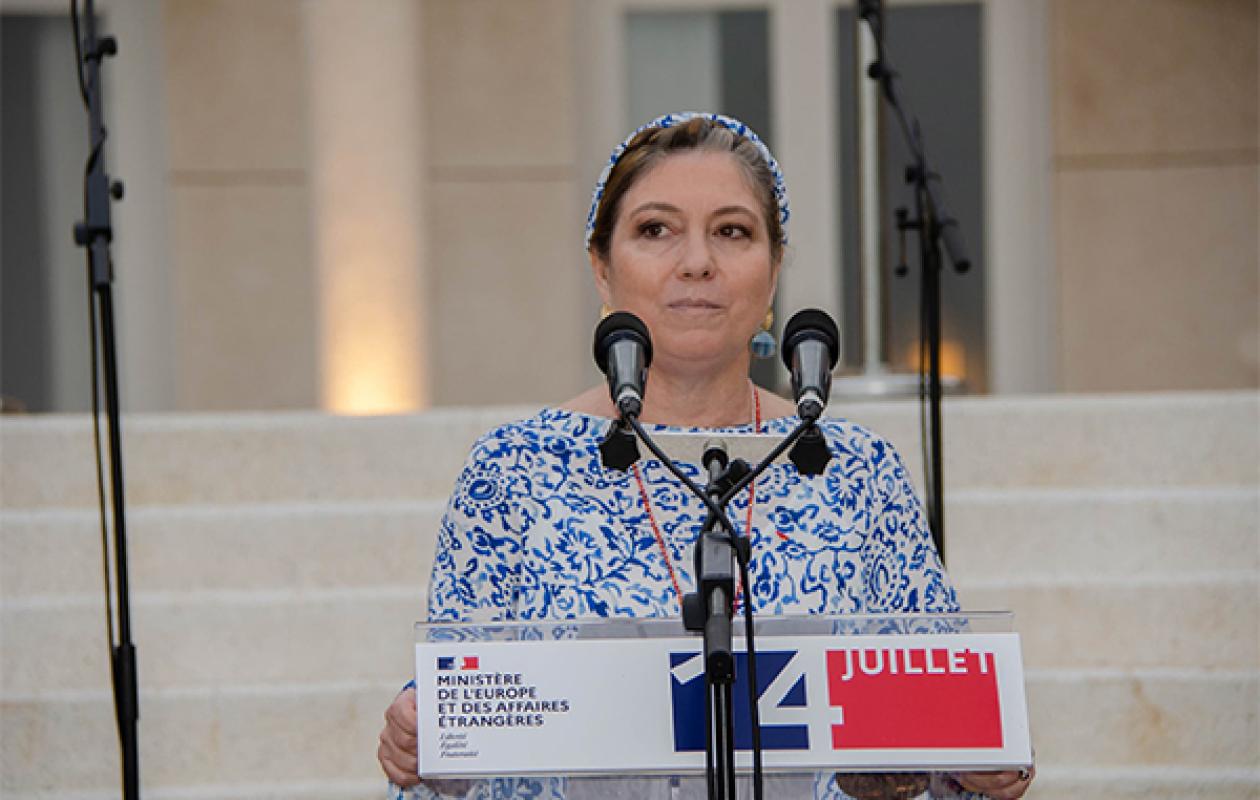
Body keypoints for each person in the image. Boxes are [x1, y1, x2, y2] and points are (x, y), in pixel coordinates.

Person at [377, 113, 1035, 800]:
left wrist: (966, 765)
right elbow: (452, 753)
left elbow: (955, 743)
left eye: (732, 231)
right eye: (656, 230)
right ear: (602, 270)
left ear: (774, 272)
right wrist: (424, 748)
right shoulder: (514, 471)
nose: (697, 261)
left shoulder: (854, 467)